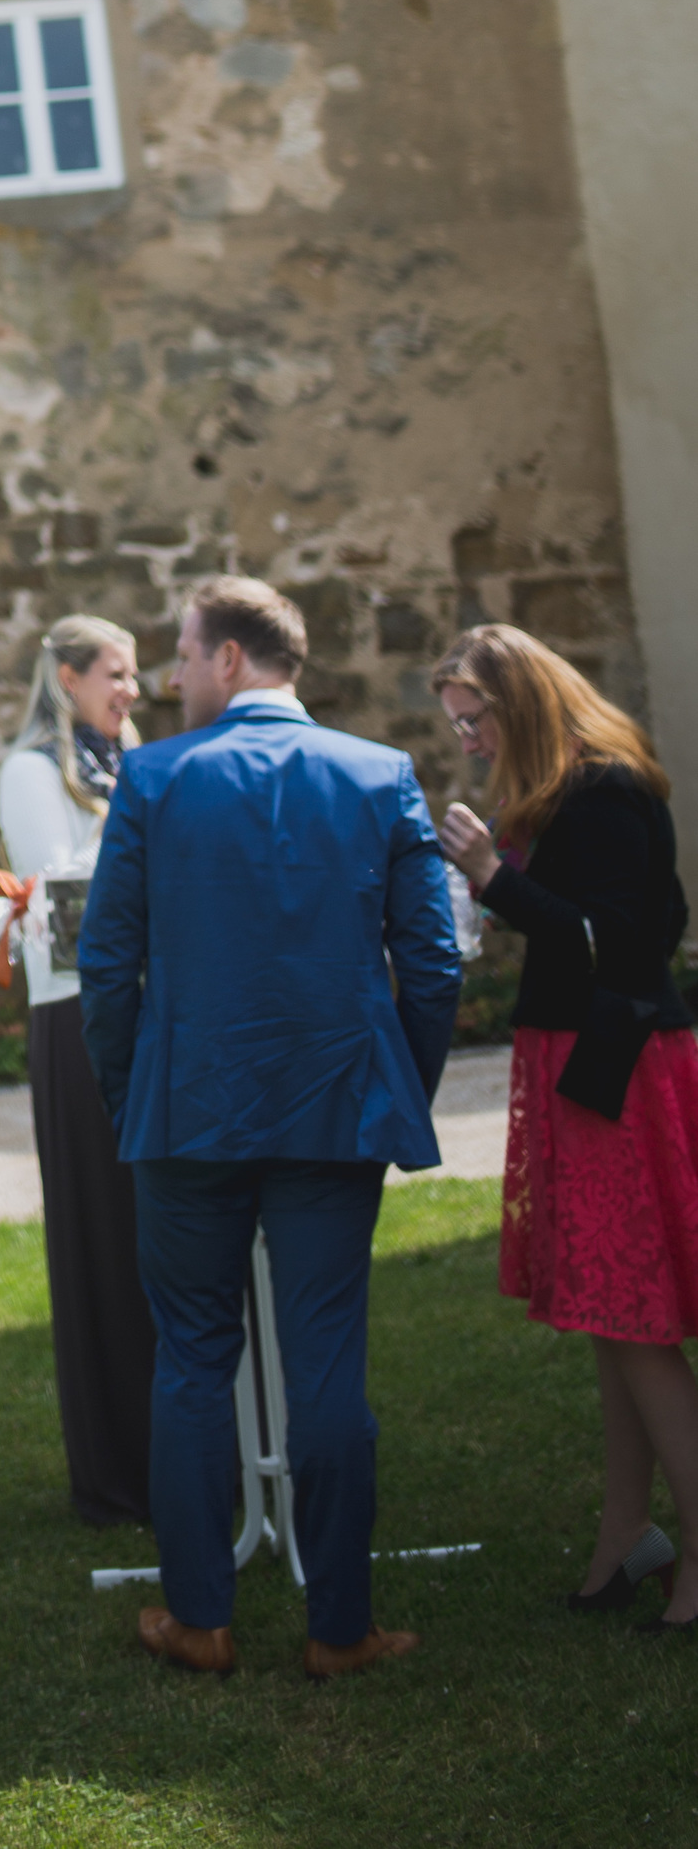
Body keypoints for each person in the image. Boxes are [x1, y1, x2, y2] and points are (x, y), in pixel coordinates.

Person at [79, 579, 461, 1682]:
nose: (175, 678)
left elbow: (108, 962)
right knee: (327, 1359)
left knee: (194, 1357)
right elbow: (430, 962)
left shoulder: (155, 776)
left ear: (233, 660)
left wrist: (126, 1089)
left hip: (189, 1108)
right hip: (336, 1105)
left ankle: (200, 1618)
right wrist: (401, 1086)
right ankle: (340, 1626)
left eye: (185, 659)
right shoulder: (379, 773)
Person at [434, 623, 698, 1628]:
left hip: (617, 1069)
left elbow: (627, 942)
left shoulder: (607, 790)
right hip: (575, 1061)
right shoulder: (561, 794)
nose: (465, 738)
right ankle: (625, 1535)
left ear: (522, 702)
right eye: (456, 721)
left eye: (474, 718)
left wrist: (492, 878)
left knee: (636, 1319)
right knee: (607, 1316)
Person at [0, 614, 155, 1527]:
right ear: (66, 678)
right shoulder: (30, 773)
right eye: (116, 675)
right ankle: (117, 1468)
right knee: (103, 1235)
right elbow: (57, 900)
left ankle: (176, 1441)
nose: (130, 691)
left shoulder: (132, 762)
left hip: (148, 1008)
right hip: (77, 1010)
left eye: (133, 676)